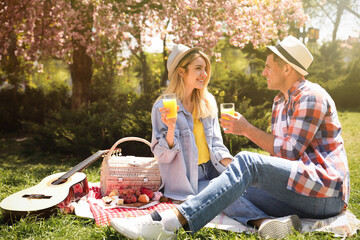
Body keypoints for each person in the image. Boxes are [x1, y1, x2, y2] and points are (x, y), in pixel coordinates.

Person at [110, 36, 350, 240]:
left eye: (268, 66)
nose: (264, 72)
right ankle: (267, 224)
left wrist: (245, 132)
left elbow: (287, 153)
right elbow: (279, 158)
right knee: (227, 187)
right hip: (296, 192)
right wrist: (238, 175)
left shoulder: (310, 96)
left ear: (286, 68)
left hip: (324, 195)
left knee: (246, 162)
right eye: (198, 68)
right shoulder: (280, 102)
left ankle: (167, 223)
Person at [150, 44, 233, 201]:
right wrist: (171, 126)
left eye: (206, 69)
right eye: (198, 68)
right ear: (181, 71)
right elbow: (162, 157)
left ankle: (273, 219)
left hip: (213, 169)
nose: (205, 74)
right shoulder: (162, 107)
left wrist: (236, 168)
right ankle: (262, 222)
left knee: (245, 190)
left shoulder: (207, 103)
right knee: (225, 194)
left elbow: (216, 145)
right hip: (187, 181)